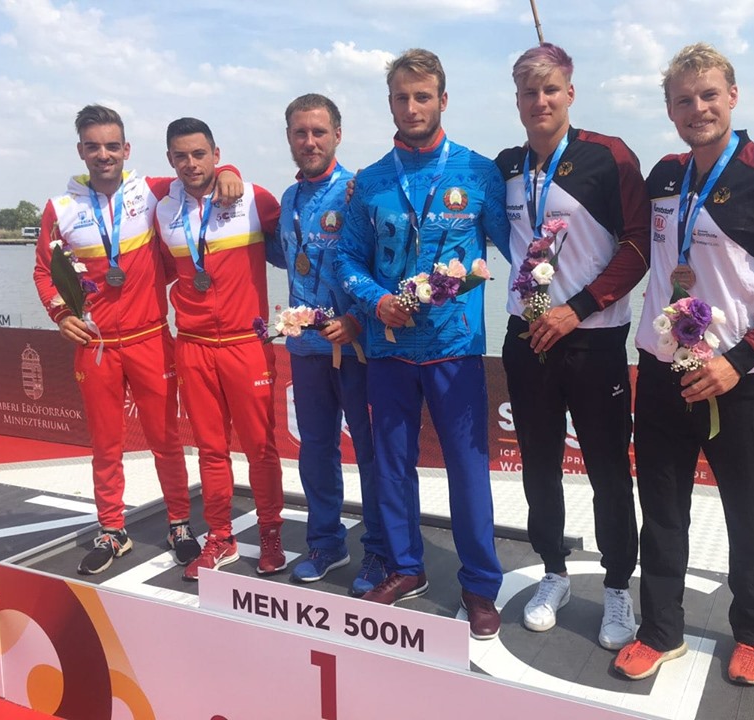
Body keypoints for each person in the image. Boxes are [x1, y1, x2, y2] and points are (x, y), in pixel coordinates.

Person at [613, 43, 754, 686]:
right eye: (683, 100)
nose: (698, 109)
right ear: (669, 110)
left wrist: (739, 360)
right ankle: (660, 632)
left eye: (709, 95)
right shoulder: (664, 176)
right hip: (661, 373)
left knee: (752, 516)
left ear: (732, 96)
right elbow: (624, 241)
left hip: (738, 378)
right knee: (662, 512)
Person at [336, 48, 510, 640]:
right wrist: (374, 300)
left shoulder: (479, 173)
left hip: (455, 348)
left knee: (468, 471)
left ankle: (480, 585)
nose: (412, 107)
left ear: (442, 99)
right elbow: (346, 259)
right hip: (388, 349)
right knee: (392, 466)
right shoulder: (370, 182)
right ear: (389, 103)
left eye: (422, 96)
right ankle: (406, 567)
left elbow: (521, 247)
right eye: (401, 97)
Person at [33, 105, 242, 576]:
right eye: (93, 146)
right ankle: (112, 529)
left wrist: (229, 169)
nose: (103, 154)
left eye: (112, 146)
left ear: (126, 149)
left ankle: (179, 524)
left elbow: (199, 174)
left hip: (151, 338)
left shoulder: (151, 192)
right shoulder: (60, 207)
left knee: (166, 440)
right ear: (80, 151)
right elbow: (44, 271)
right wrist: (61, 313)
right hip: (97, 345)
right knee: (105, 444)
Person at [494, 43, 649, 650]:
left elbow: (638, 246)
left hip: (593, 339)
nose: (540, 101)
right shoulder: (506, 166)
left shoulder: (608, 156)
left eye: (550, 89)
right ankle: (553, 573)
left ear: (570, 93)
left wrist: (577, 308)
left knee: (608, 470)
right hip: (527, 337)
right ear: (516, 101)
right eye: (529, 92)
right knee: (538, 465)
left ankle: (616, 587)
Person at [154, 117, 286, 581]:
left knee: (260, 449)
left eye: (200, 154)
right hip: (192, 346)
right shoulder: (161, 208)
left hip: (244, 343)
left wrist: (232, 172)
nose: (191, 163)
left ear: (216, 153)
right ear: (170, 160)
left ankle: (270, 532)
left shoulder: (253, 197)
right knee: (210, 451)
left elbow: (302, 245)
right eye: (181, 156)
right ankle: (221, 537)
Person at [267, 94, 385, 597]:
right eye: (300, 132)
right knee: (315, 451)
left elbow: (381, 266)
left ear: (338, 134)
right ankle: (325, 543)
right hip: (307, 351)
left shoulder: (358, 192)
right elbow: (287, 257)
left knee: (373, 455)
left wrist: (356, 319)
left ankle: (380, 549)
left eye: (319, 132)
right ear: (289, 138)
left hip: (357, 348)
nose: (310, 141)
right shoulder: (288, 199)